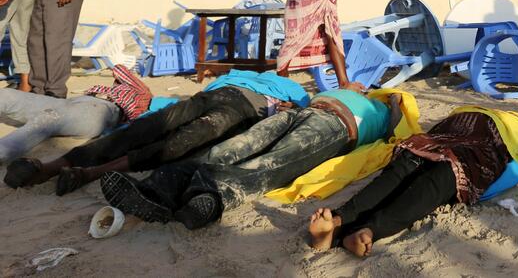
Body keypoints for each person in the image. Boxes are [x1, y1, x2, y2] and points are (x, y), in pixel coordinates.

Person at [100, 90, 403, 230]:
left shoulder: (382, 113)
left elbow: (397, 122)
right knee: (232, 147)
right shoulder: (351, 90)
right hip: (300, 113)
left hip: (335, 128)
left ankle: (211, 197)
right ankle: (157, 189)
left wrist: (393, 102)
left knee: (272, 162)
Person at [307, 105, 518, 256]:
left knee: (408, 165)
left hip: (449, 129)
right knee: (445, 175)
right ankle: (366, 231)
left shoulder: (480, 110)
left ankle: (340, 220)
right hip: (479, 137)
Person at [3, 70, 308, 196]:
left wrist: (282, 110)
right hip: (214, 98)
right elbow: (213, 85)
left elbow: (295, 115)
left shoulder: (292, 92)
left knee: (181, 141)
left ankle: (91, 172)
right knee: (148, 128)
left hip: (240, 110)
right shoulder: (262, 78)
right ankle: (50, 167)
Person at [0, 65, 156, 163]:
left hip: (103, 110)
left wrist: (117, 80)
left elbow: (119, 69)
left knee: (49, 119)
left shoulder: (143, 93)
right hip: (73, 103)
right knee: (7, 96)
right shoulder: (116, 91)